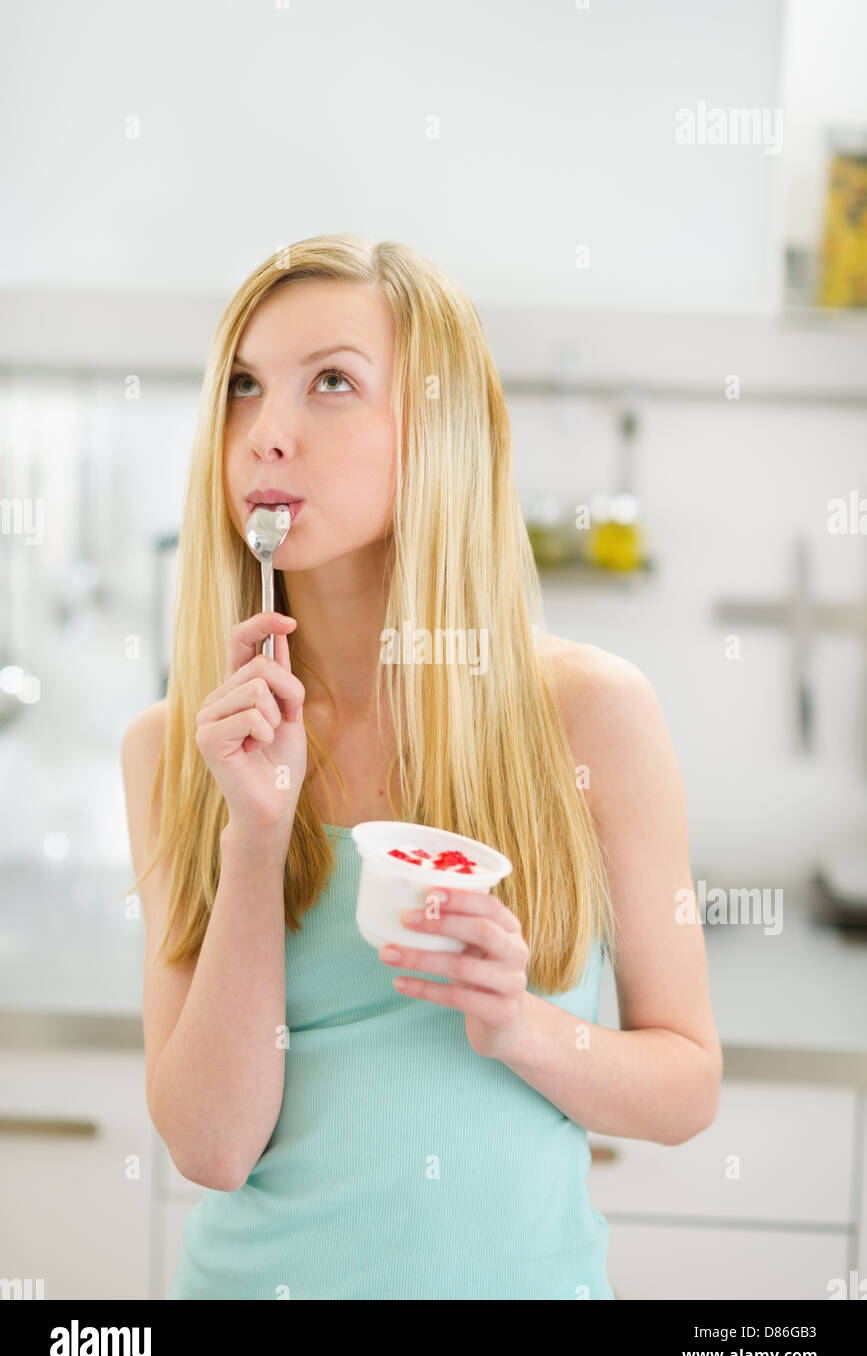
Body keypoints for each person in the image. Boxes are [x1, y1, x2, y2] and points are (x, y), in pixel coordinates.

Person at [121, 233, 722, 1300]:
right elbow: (212, 1149)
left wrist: (519, 1026)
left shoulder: (591, 717)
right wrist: (256, 837)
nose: (266, 434)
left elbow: (685, 1087)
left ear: (435, 433)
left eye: (333, 383)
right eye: (245, 388)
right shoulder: (177, 750)